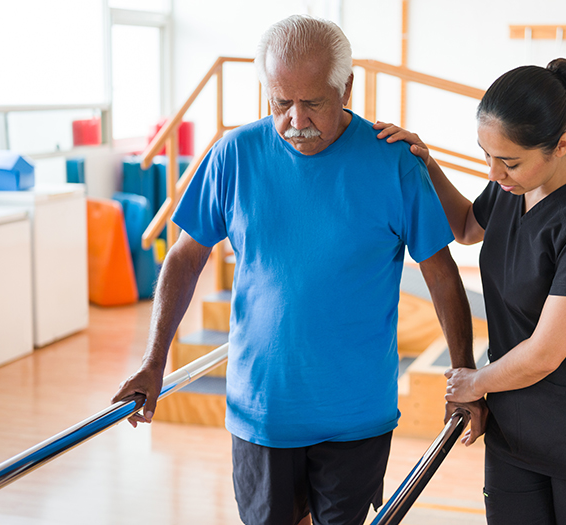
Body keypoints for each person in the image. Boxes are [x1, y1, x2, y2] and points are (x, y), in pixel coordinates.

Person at [111, 14, 485, 525]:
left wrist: (463, 372)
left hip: (356, 416)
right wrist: (154, 361)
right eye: (280, 103)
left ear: (346, 88)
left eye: (313, 102)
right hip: (263, 412)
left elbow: (442, 273)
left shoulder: (393, 162)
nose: (296, 120)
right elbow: (184, 256)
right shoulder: (233, 155)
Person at [374, 58, 566, 525]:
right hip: (517, 422)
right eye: (486, 155)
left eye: (508, 161)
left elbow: (544, 354)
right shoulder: (515, 186)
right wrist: (427, 165)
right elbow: (467, 226)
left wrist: (473, 382)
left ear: (561, 144)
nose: (494, 172)